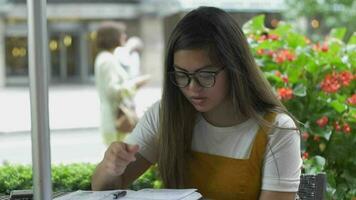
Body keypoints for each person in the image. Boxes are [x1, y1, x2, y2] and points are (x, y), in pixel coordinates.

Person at [92, 7, 302, 200]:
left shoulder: (276, 130)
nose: (192, 87)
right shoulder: (165, 115)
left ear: (235, 68)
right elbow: (103, 189)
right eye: (182, 75)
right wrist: (111, 166)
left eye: (205, 75)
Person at [94, 21, 148, 145]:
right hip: (116, 121)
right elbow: (112, 91)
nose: (124, 36)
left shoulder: (105, 57)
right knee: (119, 161)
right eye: (121, 34)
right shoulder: (108, 60)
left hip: (113, 120)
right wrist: (136, 84)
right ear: (113, 37)